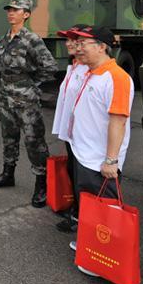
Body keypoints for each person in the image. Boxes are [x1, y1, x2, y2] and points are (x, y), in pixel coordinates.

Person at [63, 26, 134, 275]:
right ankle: (90, 246)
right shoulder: (92, 73)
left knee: (105, 208)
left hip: (100, 159)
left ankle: (104, 259)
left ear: (102, 46)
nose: (78, 48)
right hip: (84, 152)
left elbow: (118, 121)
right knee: (89, 204)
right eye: (77, 43)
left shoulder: (117, 77)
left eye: (84, 43)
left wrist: (111, 160)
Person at [0, 0, 58, 208]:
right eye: (9, 9)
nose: (10, 13)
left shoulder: (31, 39)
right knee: (8, 136)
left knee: (34, 141)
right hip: (5, 95)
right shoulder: (3, 40)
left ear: (26, 14)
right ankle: (8, 174)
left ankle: (41, 184)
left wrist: (32, 84)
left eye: (15, 10)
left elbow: (50, 66)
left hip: (25, 98)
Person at [50, 25, 90, 233]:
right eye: (68, 40)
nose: (68, 44)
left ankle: (79, 216)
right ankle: (76, 210)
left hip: (82, 136)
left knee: (82, 177)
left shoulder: (89, 71)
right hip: (72, 133)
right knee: (73, 171)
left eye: (73, 40)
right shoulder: (74, 66)